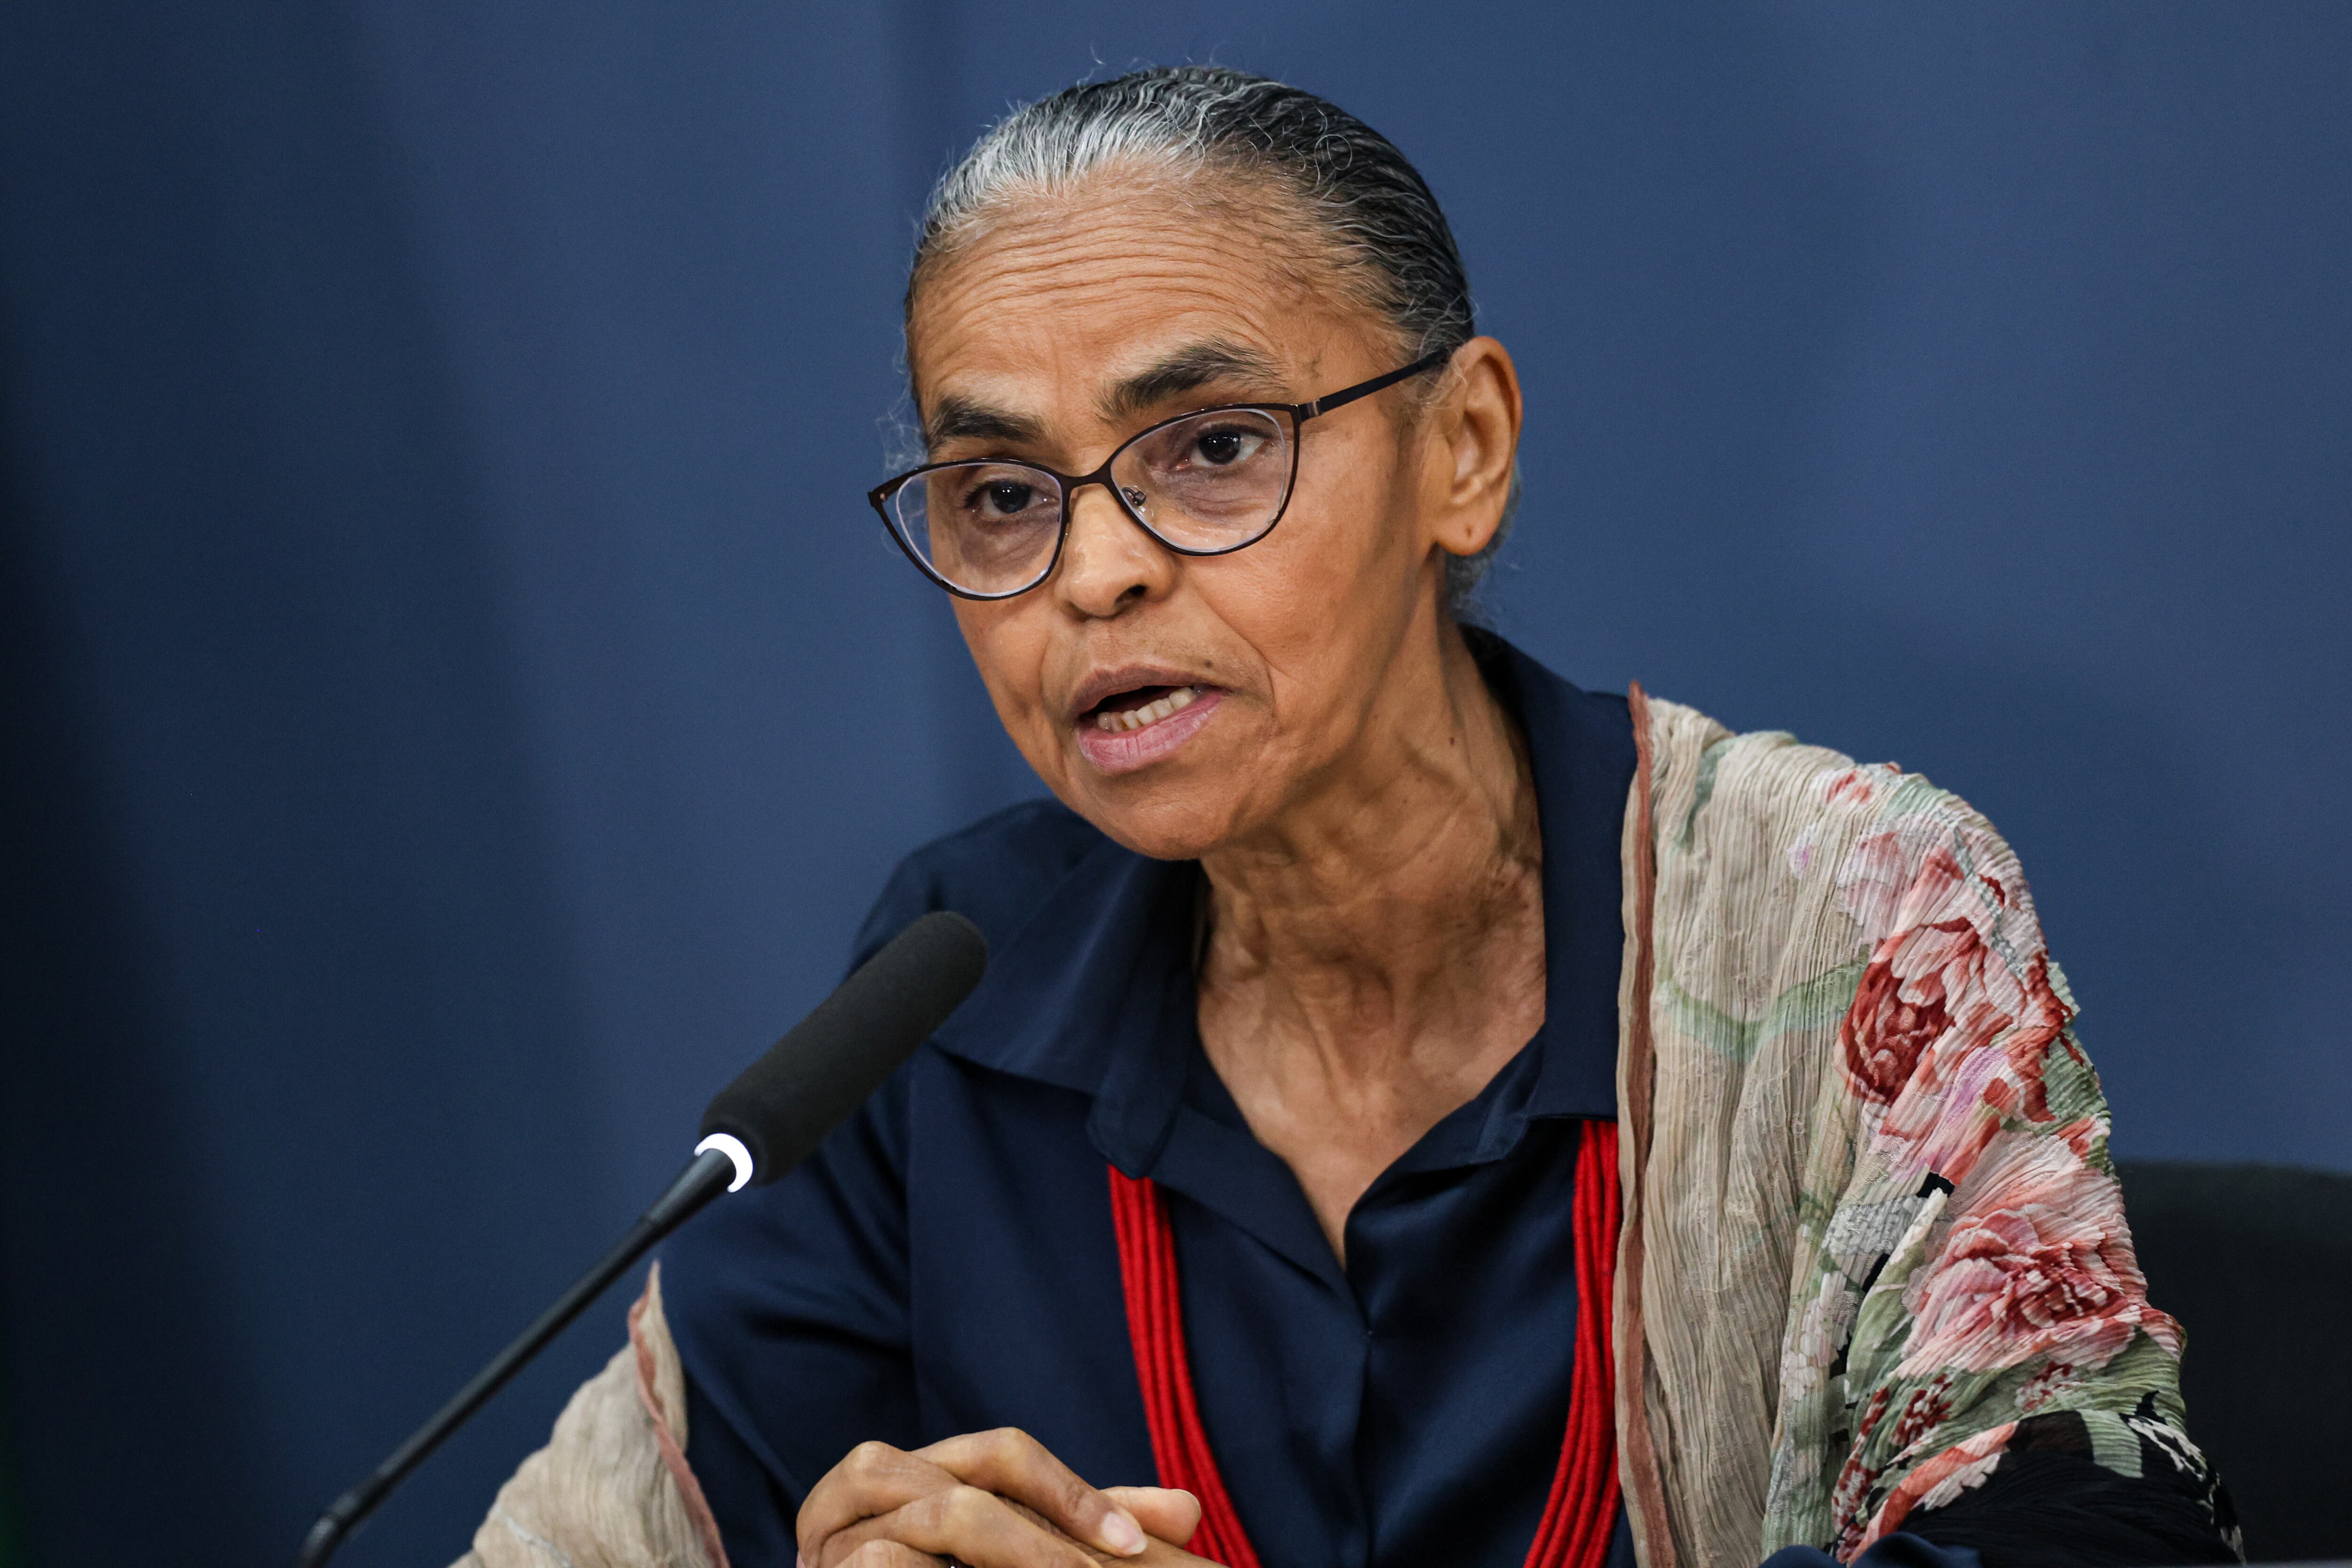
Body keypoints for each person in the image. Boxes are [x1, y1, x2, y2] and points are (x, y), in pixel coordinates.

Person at [455, 67, 2238, 1568]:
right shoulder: (951, 997)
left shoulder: (1850, 914)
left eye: (1213, 447)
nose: (1094, 573)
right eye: (1000, 493)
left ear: (1462, 451)